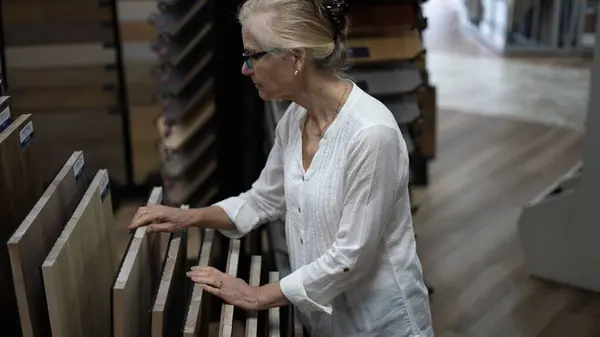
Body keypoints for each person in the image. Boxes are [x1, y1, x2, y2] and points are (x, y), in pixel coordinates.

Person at [128, 0, 434, 335]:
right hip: (324, 321)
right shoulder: (294, 119)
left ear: (296, 57)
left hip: (380, 325)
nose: (245, 69)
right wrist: (188, 217)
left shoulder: (372, 135)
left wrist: (256, 295)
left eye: (252, 56)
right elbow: (263, 200)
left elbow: (350, 258)